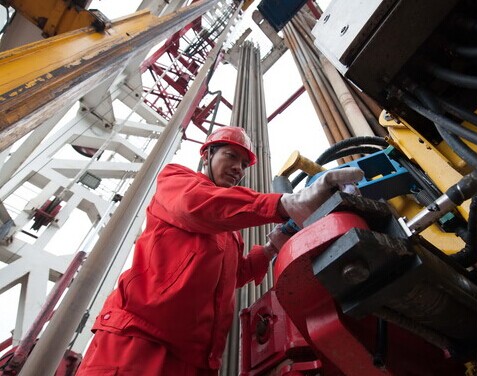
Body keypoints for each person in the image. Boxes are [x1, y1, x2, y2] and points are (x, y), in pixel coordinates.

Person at [76, 126, 364, 375]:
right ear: (207, 155)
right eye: (230, 156)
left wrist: (272, 245)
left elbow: (233, 275)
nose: (239, 167)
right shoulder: (176, 181)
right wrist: (284, 204)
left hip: (198, 359)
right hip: (138, 343)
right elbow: (196, 205)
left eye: (243, 163)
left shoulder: (229, 230)